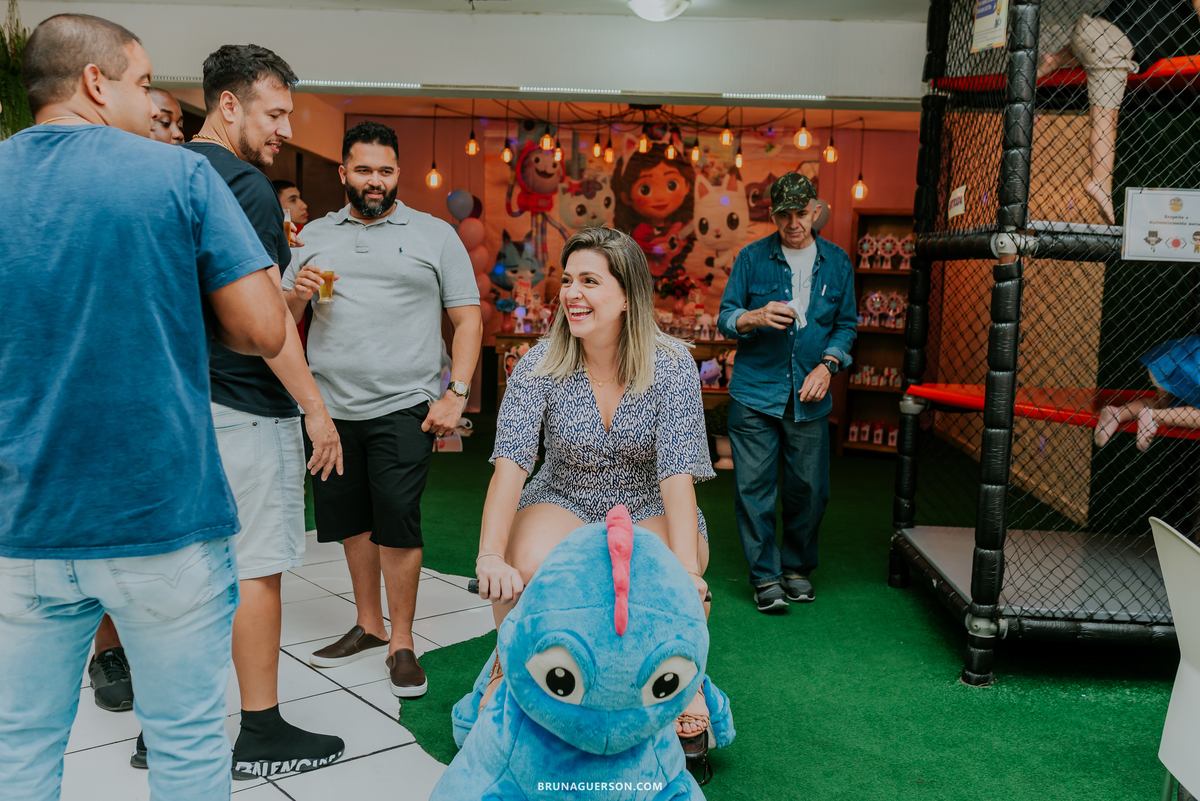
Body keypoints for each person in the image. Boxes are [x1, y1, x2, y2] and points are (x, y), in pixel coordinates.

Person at [0, 14, 289, 800]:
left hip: (25, 519)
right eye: (140, 81)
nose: (154, 99)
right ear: (95, 83)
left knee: (19, 748)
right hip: (159, 514)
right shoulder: (179, 177)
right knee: (186, 745)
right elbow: (265, 328)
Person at [472, 226, 720, 758]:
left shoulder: (673, 363)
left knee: (670, 574)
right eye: (567, 280)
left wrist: (689, 578)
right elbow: (511, 466)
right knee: (526, 566)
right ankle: (508, 660)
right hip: (564, 492)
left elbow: (677, 476)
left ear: (627, 295)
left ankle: (689, 681)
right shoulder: (539, 363)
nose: (571, 294)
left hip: (646, 497)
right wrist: (489, 554)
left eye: (590, 280)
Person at [173, 43, 345, 780]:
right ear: (229, 104)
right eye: (274, 114)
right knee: (256, 570)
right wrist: (316, 409)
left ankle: (166, 723)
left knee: (191, 569)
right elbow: (266, 324)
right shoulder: (243, 185)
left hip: (189, 401)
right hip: (246, 405)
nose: (284, 130)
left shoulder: (172, 170)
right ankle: (262, 730)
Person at [282, 121, 482, 698]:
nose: (375, 181)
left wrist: (456, 391)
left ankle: (401, 642)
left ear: (400, 175)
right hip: (330, 407)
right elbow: (283, 315)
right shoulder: (312, 235)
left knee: (396, 517)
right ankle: (368, 625)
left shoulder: (435, 234)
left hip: (404, 404)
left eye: (386, 170)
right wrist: (298, 290)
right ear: (344, 172)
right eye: (364, 169)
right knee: (351, 520)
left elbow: (467, 319)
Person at [88, 84, 188, 716]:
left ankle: (150, 652)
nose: (176, 134)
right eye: (164, 121)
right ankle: (107, 651)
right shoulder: (105, 193)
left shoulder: (179, 195)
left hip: (171, 392)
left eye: (180, 123)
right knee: (108, 535)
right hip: (103, 390)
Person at [717, 173, 857, 612]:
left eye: (801, 213)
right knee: (753, 489)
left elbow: (846, 325)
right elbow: (725, 318)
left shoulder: (837, 262)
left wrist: (828, 364)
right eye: (784, 215)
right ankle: (765, 577)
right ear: (773, 215)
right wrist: (754, 317)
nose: (793, 223)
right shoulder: (751, 258)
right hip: (755, 393)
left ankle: (796, 568)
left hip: (811, 397)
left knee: (810, 491)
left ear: (815, 210)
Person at [1037, 0, 1200, 223]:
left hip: (1093, 32)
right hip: (1111, 45)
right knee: (1106, 114)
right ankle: (1100, 182)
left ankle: (1052, 60)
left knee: (1092, 52)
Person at [1095, 335, 1200, 450]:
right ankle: (1154, 417)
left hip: (1169, 360)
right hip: (1190, 368)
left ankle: (1117, 413)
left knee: (1163, 406)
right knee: (1173, 412)